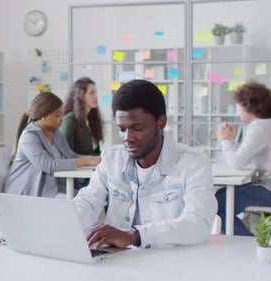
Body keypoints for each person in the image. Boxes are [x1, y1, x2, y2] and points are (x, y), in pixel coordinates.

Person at [73, 79, 217, 249]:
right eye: (122, 129)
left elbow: (197, 224)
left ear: (161, 122)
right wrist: (64, 223)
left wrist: (135, 236)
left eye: (138, 128)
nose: (128, 137)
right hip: (118, 264)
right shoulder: (112, 160)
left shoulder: (193, 163)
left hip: (170, 266)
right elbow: (88, 202)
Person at [216, 81, 271, 236]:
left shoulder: (260, 128)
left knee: (215, 205)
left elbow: (236, 163)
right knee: (220, 197)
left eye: (240, 105)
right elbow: (244, 159)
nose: (238, 110)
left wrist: (225, 140)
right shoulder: (267, 125)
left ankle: (248, 244)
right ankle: (250, 243)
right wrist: (231, 140)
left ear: (252, 107)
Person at [4, 92, 101, 197]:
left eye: (61, 115)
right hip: (26, 192)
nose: (61, 119)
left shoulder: (55, 133)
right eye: (57, 115)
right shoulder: (29, 136)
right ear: (43, 115)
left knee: (90, 199)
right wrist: (87, 161)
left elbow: (71, 156)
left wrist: (95, 160)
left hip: (48, 189)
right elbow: (49, 165)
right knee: (81, 202)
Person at [60, 77, 104, 156]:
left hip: (90, 167)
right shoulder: (70, 120)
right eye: (91, 93)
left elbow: (96, 152)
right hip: (77, 167)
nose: (96, 96)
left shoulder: (91, 119)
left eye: (96, 93)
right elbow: (66, 155)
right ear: (80, 95)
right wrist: (91, 160)